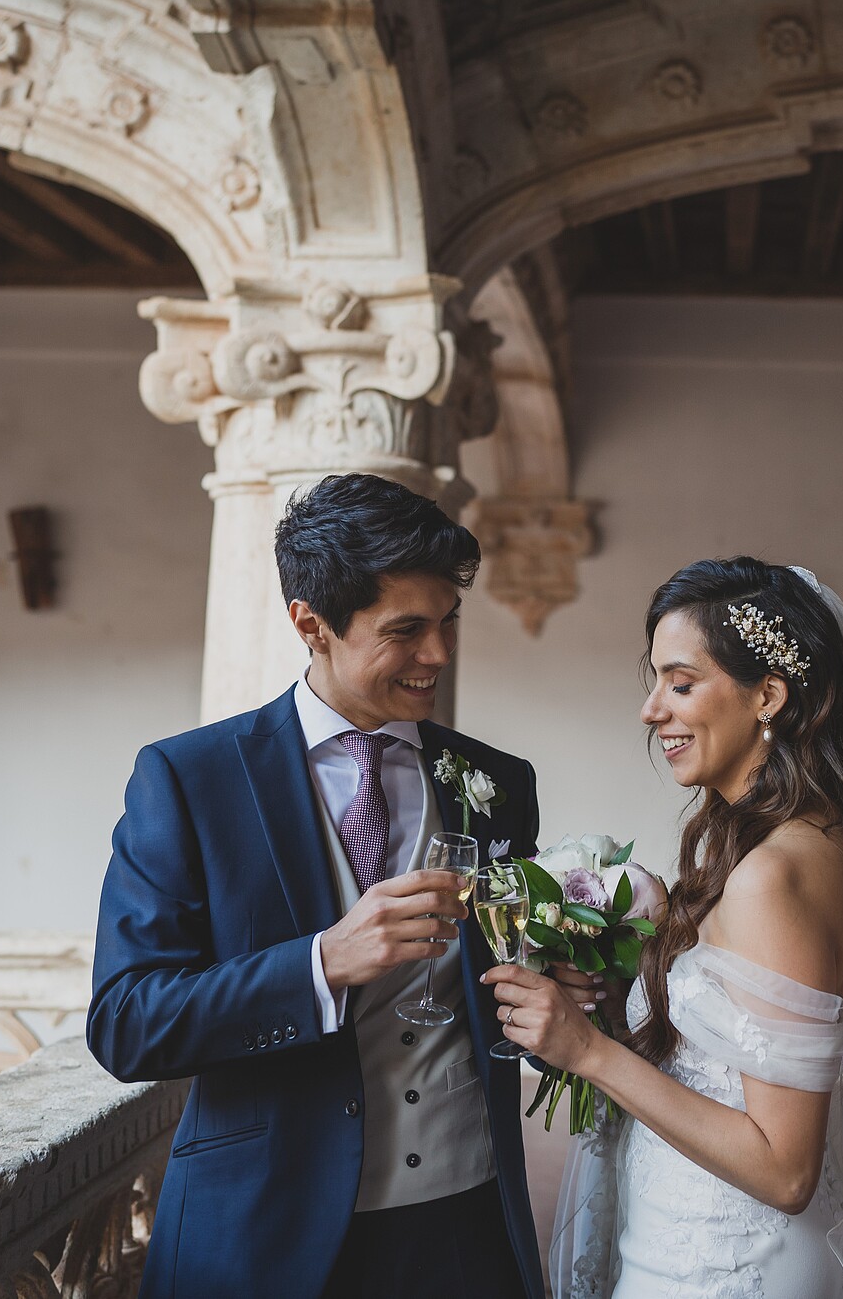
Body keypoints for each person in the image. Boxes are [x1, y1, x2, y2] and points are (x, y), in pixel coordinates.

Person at [87, 473, 544, 1299]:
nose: (438, 655)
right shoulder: (189, 779)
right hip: (265, 1233)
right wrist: (321, 963)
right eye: (406, 630)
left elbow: (507, 976)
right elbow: (126, 1024)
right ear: (312, 624)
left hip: (464, 1224)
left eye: (447, 622)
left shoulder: (495, 781)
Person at [487, 558, 843, 1298]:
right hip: (684, 1227)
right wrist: (623, 992)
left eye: (680, 683)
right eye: (653, 681)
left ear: (767, 695)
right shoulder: (770, 840)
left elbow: (787, 1169)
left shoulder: (773, 874)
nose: (651, 711)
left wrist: (585, 1051)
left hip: (730, 1263)